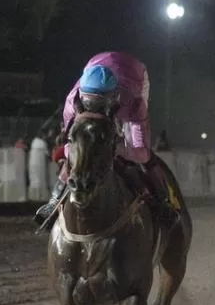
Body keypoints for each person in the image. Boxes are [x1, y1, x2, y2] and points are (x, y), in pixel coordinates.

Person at [33, 52, 180, 229]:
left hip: (135, 75)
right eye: (87, 103)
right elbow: (69, 145)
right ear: (81, 95)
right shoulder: (72, 100)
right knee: (77, 152)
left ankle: (163, 202)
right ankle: (53, 202)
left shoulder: (133, 104)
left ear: (112, 99)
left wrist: (117, 148)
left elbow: (140, 153)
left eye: (98, 104)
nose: (91, 109)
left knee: (143, 157)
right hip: (97, 65)